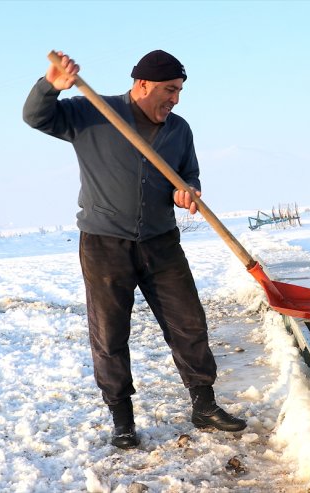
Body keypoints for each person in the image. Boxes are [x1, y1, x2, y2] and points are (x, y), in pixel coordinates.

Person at [23, 50, 246, 449]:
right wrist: (49, 87)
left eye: (179, 91)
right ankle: (122, 419)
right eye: (169, 90)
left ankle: (204, 405)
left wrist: (188, 190)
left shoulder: (179, 129)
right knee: (110, 335)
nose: (175, 98)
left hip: (161, 242)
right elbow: (36, 117)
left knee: (189, 324)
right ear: (142, 84)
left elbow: (189, 173)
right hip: (105, 244)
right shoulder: (93, 111)